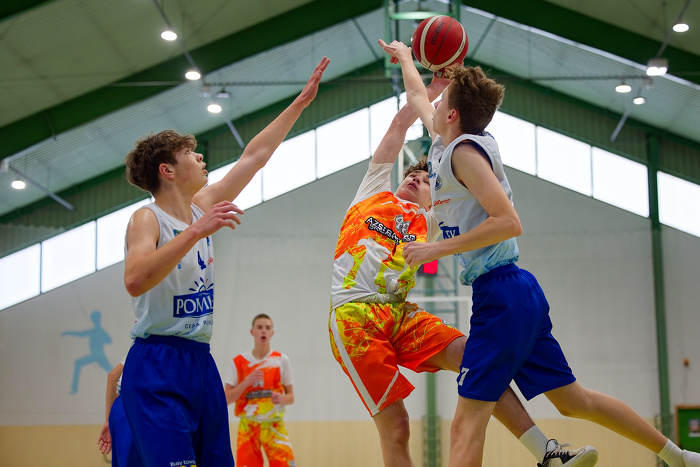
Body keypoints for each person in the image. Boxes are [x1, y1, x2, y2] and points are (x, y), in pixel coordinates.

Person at [379, 38, 700, 467]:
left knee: (465, 426)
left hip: (501, 294)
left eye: (443, 101)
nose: (433, 104)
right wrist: (405, 56)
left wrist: (435, 248)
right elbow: (419, 95)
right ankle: (679, 457)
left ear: (452, 115)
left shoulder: (464, 154)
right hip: (517, 291)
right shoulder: (446, 143)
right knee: (575, 401)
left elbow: (509, 221)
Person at [329, 74, 597, 467]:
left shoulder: (433, 221)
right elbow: (400, 125)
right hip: (355, 315)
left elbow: (468, 201)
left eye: (425, 180)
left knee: (480, 362)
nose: (415, 179)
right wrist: (432, 87)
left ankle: (547, 453)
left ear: (435, 198)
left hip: (399, 312)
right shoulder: (372, 192)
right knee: (397, 426)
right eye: (411, 175)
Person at [120, 57, 329, 467]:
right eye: (189, 153)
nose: (201, 157)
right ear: (167, 170)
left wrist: (301, 102)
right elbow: (135, 279)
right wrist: (195, 232)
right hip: (157, 361)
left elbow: (256, 155)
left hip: (200, 360)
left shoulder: (201, 206)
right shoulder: (147, 218)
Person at [224, 314, 295, 467]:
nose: (264, 331)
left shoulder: (281, 360)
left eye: (267, 328)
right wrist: (246, 382)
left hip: (274, 424)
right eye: (260, 327)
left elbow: (291, 397)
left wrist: (281, 398)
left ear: (272, 333)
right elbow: (226, 399)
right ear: (252, 332)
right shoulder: (238, 362)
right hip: (248, 426)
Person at [98, 358, 142, 466]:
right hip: (142, 406)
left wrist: (108, 421)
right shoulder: (169, 350)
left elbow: (113, 375)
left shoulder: (136, 349)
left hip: (121, 408)